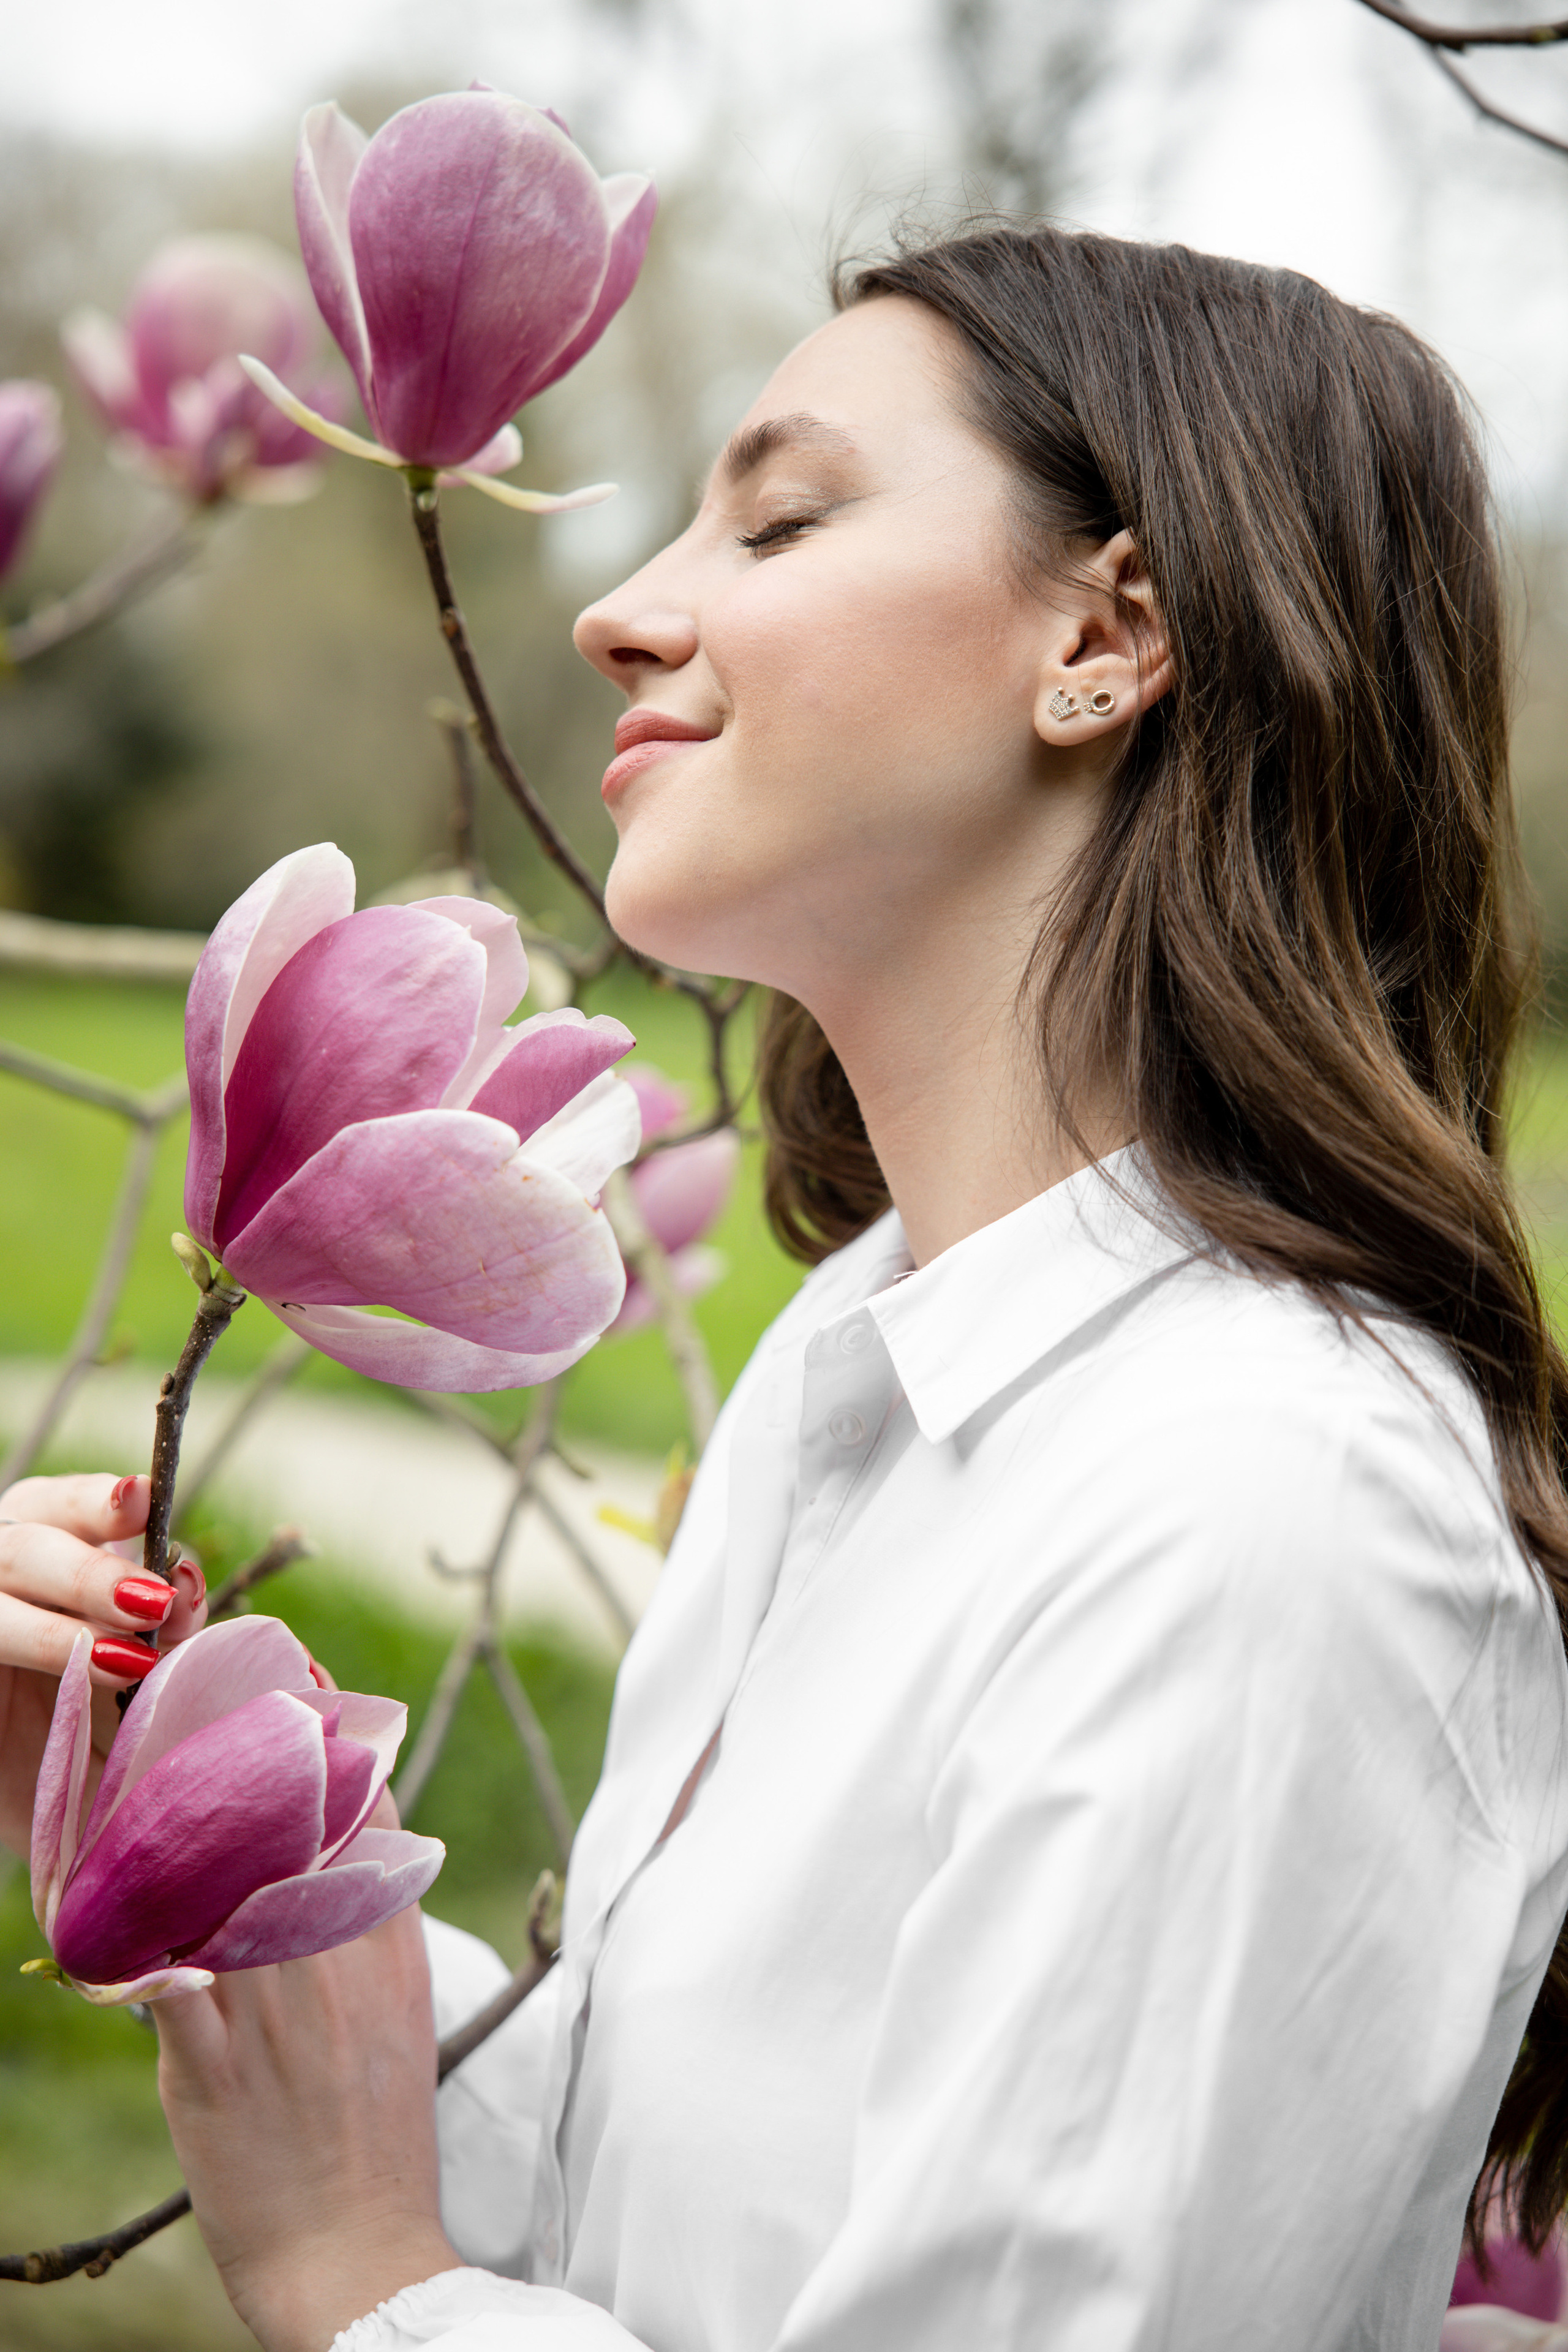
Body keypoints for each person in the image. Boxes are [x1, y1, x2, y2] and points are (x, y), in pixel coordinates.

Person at [5, 222, 1568, 2352]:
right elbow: (651, 2185)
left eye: (786, 516)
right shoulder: (860, 1359)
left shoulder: (1263, 1515)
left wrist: (363, 2290)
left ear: (1108, 638)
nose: (621, 607)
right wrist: (168, 1810)